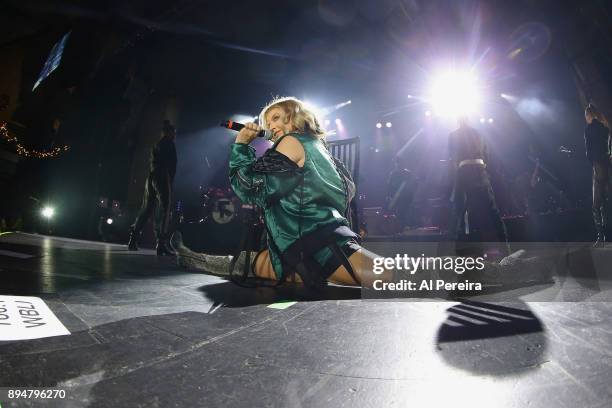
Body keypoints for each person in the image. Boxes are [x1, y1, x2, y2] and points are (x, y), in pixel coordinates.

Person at [171, 97, 552, 291]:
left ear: (293, 119)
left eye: (275, 118)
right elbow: (345, 191)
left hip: (317, 247)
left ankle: (500, 272)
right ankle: (189, 256)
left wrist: (240, 145)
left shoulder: (290, 144)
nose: (267, 125)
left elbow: (247, 188)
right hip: (296, 247)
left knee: (402, 276)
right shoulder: (321, 150)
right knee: (244, 264)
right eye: (265, 120)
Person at [447, 116, 509, 248]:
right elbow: (486, 156)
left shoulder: (452, 135)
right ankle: (506, 247)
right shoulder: (479, 133)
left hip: (464, 173)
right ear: (469, 120)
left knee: (460, 210)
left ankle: (460, 250)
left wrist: (457, 178)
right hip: (481, 172)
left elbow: (453, 160)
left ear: (458, 120)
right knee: (493, 211)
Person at [128, 120, 177, 255]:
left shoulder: (158, 144)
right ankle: (161, 244)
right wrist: (169, 182)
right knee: (165, 209)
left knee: (147, 208)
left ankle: (133, 239)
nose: (175, 135)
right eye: (173, 132)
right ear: (169, 133)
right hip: (162, 177)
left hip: (151, 177)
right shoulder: (169, 144)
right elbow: (170, 166)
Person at [584, 103, 611, 247]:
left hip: (597, 167)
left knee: (596, 205)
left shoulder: (589, 129)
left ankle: (601, 237)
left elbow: (588, 152)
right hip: (607, 166)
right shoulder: (605, 127)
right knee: (605, 203)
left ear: (589, 115)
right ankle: (606, 236)